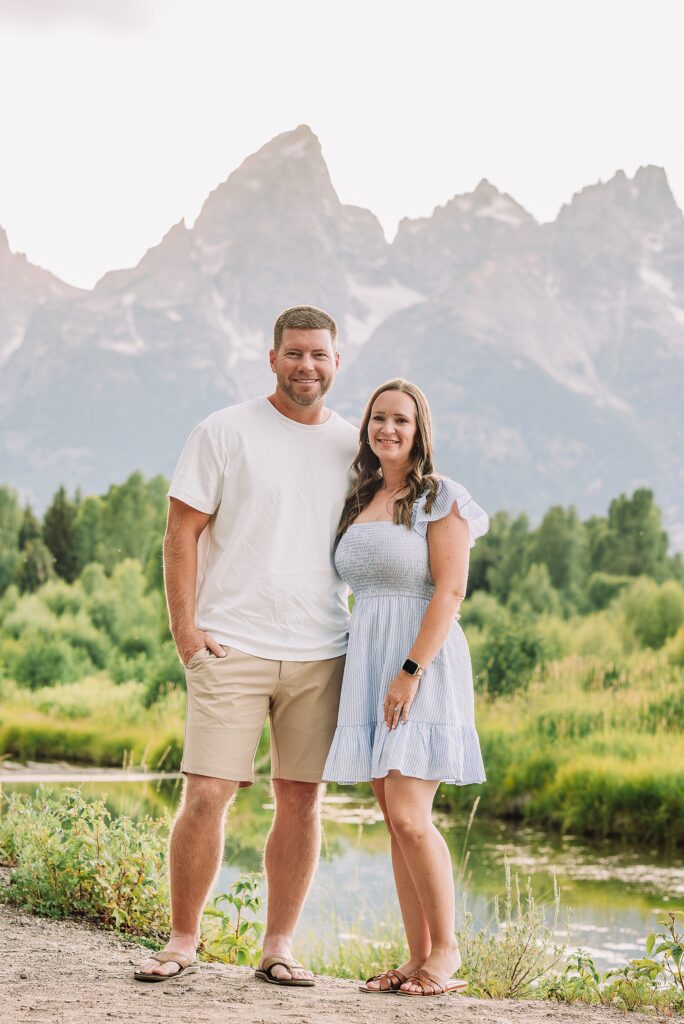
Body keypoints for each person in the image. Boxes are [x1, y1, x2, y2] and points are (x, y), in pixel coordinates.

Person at [134, 305, 358, 986]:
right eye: (294, 353)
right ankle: (181, 941)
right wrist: (187, 633)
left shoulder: (356, 445)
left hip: (322, 647)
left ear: (336, 363)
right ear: (272, 358)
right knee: (207, 793)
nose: (306, 366)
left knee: (301, 800)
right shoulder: (223, 431)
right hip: (230, 643)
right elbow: (180, 535)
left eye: (319, 355)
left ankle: (279, 946)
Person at [323, 378, 488, 998]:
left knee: (413, 816)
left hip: (422, 664)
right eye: (378, 419)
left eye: (401, 420)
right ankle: (416, 958)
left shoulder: (440, 497)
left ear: (420, 431)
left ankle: (445, 955)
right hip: (367, 660)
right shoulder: (362, 495)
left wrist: (410, 673)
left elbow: (449, 590)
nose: (388, 429)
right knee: (393, 818)